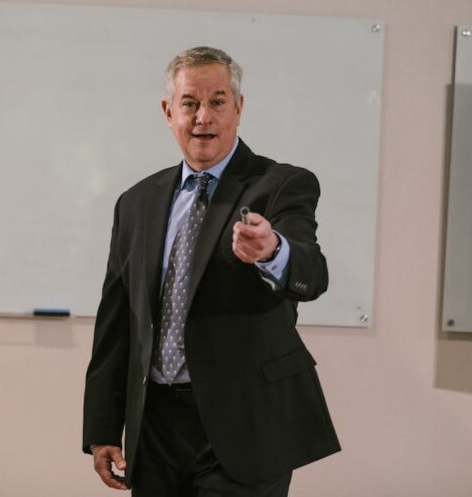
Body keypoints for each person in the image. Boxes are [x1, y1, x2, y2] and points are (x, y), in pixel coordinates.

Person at [83, 46, 340, 496]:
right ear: (169, 111)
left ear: (238, 109)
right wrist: (103, 426)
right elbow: (117, 322)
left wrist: (271, 250)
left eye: (217, 102)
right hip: (156, 428)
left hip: (245, 423)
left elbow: (311, 273)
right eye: (190, 103)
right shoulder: (136, 202)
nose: (203, 117)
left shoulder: (281, 184)